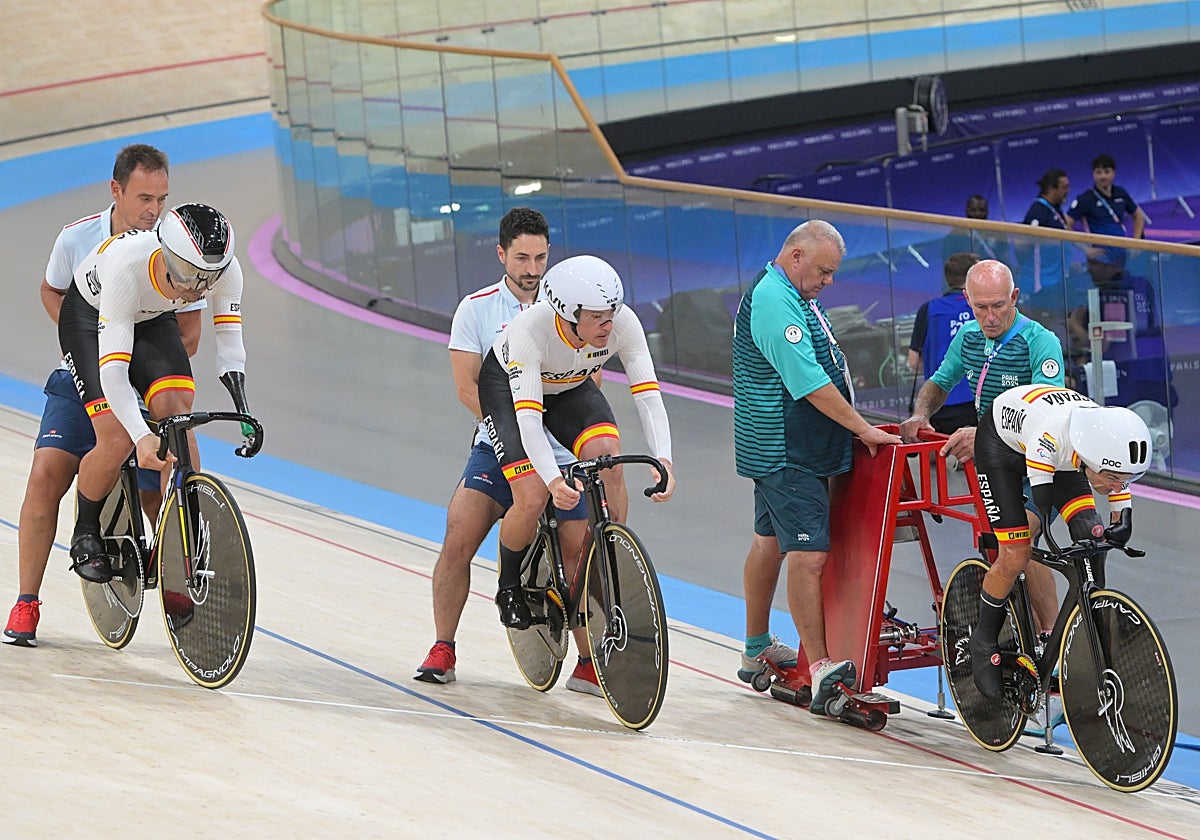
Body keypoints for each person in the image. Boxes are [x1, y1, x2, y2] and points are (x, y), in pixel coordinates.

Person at [4, 144, 204, 647]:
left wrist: (139, 368)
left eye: (161, 198)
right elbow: (53, 293)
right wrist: (89, 347)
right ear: (116, 191)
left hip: (138, 372)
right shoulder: (76, 238)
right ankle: (27, 602)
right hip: (87, 370)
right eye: (143, 198)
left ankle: (180, 573)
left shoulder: (177, 243)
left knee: (170, 463)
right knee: (48, 472)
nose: (154, 210)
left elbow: (191, 333)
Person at [414, 208, 597, 694]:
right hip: (499, 444)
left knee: (580, 550)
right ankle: (443, 646)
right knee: (459, 534)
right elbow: (466, 388)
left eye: (540, 257)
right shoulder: (475, 309)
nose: (532, 268)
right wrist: (513, 435)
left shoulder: (575, 306)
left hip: (559, 450)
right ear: (501, 254)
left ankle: (587, 659)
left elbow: (587, 385)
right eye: (522, 257)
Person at [732, 220, 902, 716]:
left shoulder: (797, 296)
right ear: (797, 256)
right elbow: (808, 383)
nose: (829, 281)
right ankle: (824, 665)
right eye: (824, 271)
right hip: (788, 450)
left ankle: (754, 646)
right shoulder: (773, 300)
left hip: (790, 446)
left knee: (768, 543)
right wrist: (862, 428)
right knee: (809, 556)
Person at [478, 254, 675, 633]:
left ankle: (604, 553)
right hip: (508, 390)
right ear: (568, 314)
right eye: (598, 317)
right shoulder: (529, 332)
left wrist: (664, 458)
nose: (608, 324)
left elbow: (648, 395)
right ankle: (508, 587)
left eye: (612, 313)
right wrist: (553, 480)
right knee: (533, 496)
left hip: (568, 385)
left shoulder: (623, 324)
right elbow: (530, 421)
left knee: (608, 458)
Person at [60, 203, 250, 585]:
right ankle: (85, 529)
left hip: (152, 316)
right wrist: (141, 436)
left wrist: (244, 412)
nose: (196, 288)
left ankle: (185, 537)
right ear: (166, 253)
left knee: (179, 418)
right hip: (91, 316)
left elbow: (230, 345)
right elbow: (113, 370)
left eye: (207, 279)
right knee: (115, 437)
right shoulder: (127, 266)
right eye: (188, 274)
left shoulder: (225, 269)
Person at [900, 260, 1065, 635]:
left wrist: (984, 436)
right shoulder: (970, 338)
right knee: (1010, 549)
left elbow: (1047, 412)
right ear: (967, 301)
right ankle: (1031, 636)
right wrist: (921, 413)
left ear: (1015, 298)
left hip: (1038, 463)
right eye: (981, 308)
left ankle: (1050, 638)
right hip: (996, 467)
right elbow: (940, 382)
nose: (990, 317)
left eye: (999, 306)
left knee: (1021, 540)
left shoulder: (1040, 342)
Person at [969, 383, 1151, 706]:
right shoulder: (1049, 439)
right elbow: (1044, 504)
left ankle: (1086, 645)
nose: (1114, 486)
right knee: (1017, 551)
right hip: (1002, 445)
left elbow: (1116, 495)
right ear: (1095, 461)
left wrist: (1116, 527)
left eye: (1122, 479)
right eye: (1110, 478)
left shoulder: (1103, 450)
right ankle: (982, 641)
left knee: (1091, 538)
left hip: (1068, 457)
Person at [1065, 248, 1171, 408]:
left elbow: (1103, 345)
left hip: (1131, 377)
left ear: (1114, 265)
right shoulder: (1142, 284)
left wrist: (1075, 325)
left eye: (1095, 263)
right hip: (1157, 368)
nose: (1089, 269)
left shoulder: (1113, 293)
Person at [907, 252, 981, 434]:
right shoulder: (983, 306)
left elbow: (913, 362)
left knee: (934, 457)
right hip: (978, 402)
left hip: (940, 405)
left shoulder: (929, 309)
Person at [1066, 154, 1147, 263]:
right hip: (1100, 260)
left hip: (1122, 255)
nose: (1103, 176)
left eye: (1107, 172)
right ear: (1093, 174)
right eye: (1098, 172)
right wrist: (1085, 249)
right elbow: (1066, 224)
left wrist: (1136, 244)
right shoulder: (1085, 199)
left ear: (1114, 173)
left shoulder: (1121, 193)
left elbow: (1138, 216)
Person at [1021, 169, 1071, 293]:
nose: (1067, 191)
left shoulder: (1056, 209)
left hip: (1057, 277)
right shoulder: (1038, 210)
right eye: (1064, 187)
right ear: (1051, 188)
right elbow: (1024, 244)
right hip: (1042, 281)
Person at [942, 195, 1001, 263]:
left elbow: (1005, 258)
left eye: (981, 210)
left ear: (987, 212)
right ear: (966, 211)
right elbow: (948, 263)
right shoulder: (955, 235)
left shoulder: (997, 234)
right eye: (973, 210)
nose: (977, 214)